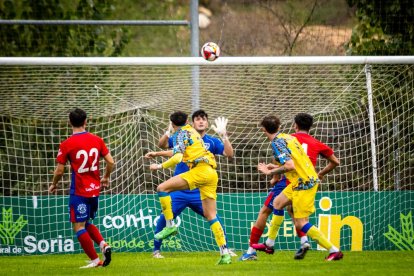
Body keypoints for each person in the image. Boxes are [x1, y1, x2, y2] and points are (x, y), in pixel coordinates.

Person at [240, 113, 340, 261]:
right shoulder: (288, 137)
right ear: (280, 127)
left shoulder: (277, 143)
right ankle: (269, 244)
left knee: (301, 223)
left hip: (304, 183)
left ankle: (334, 250)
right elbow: (297, 161)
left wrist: (270, 172)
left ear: (263, 130)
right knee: (277, 204)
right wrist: (276, 168)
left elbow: (290, 165)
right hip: (300, 180)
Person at [145, 109, 235, 259]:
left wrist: (159, 165)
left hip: (196, 182)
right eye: (197, 119)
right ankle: (224, 252)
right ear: (190, 122)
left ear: (207, 122)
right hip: (194, 182)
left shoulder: (196, 137)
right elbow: (165, 146)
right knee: (211, 215)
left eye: (203, 119)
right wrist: (161, 145)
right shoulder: (191, 135)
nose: (200, 121)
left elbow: (177, 155)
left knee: (162, 189)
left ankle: (170, 227)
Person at [48, 108, 115, 268]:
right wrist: (105, 177)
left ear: (69, 122)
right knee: (85, 223)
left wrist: (54, 184)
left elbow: (59, 170)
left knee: (78, 226)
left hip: (79, 191)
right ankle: (103, 245)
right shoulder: (97, 140)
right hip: (94, 190)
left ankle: (95, 261)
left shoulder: (67, 144)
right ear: (86, 121)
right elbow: (111, 162)